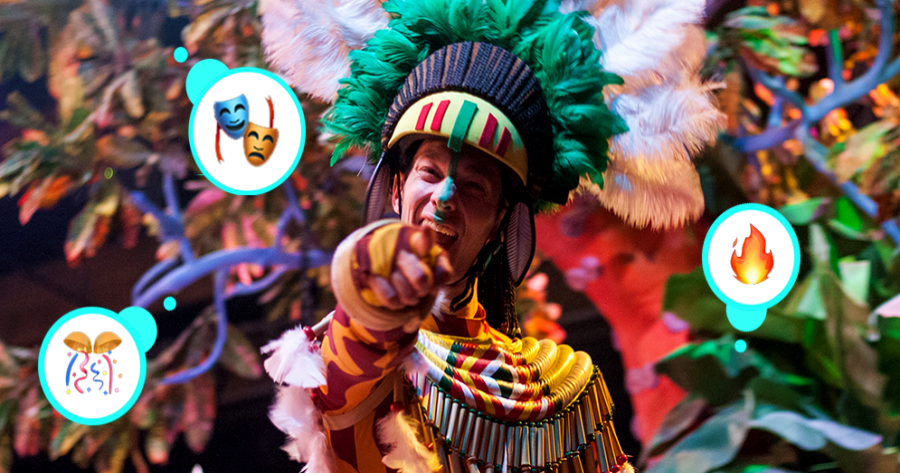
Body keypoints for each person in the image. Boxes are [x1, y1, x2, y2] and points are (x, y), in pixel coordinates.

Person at [258, 0, 721, 471]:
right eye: (429, 172)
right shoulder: (357, 349)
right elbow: (358, 347)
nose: (445, 195)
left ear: (501, 222)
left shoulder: (565, 391)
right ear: (396, 189)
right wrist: (382, 280)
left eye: (474, 185)